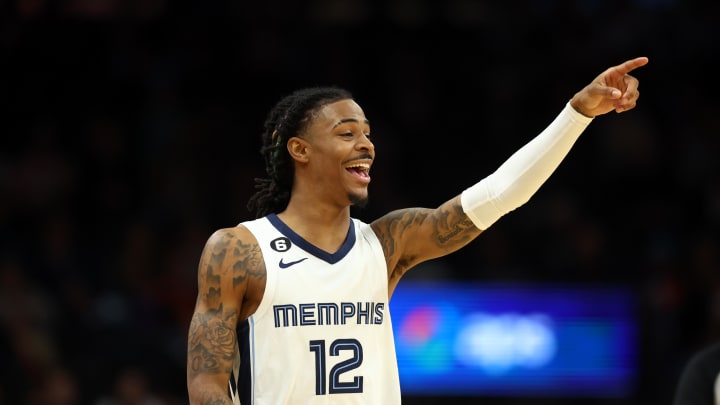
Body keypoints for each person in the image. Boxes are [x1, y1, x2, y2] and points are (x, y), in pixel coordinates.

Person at [186, 56, 649, 404]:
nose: (366, 143)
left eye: (368, 133)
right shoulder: (240, 250)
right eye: (347, 133)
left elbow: (501, 194)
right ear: (300, 150)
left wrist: (577, 113)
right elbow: (207, 383)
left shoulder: (387, 243)